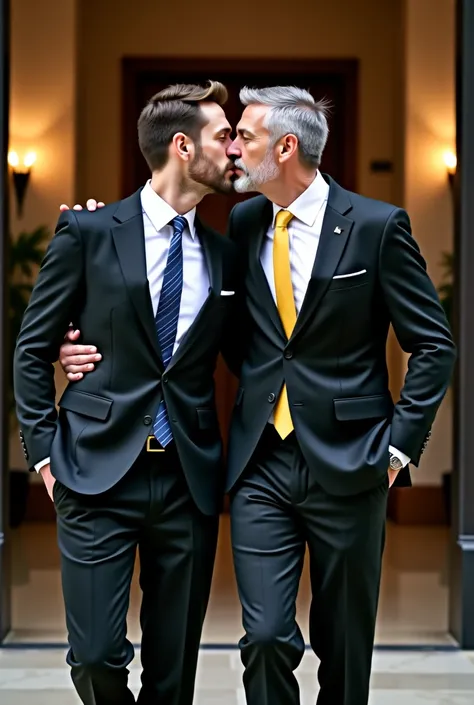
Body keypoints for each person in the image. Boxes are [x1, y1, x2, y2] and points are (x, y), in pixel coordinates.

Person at [58, 85, 456, 705]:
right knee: (266, 636)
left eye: (245, 136)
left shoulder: (378, 227)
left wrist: (399, 449)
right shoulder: (241, 224)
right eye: (232, 135)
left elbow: (433, 345)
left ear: (287, 146)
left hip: (355, 458)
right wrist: (76, 333)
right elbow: (180, 319)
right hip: (258, 461)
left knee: (346, 645)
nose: (235, 148)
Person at [14, 81, 238, 705]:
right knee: (95, 657)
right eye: (225, 136)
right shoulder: (86, 232)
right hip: (91, 471)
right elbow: (32, 349)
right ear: (182, 146)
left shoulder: (226, 255)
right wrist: (43, 454)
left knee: (174, 670)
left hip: (187, 479)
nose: (235, 150)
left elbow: (258, 354)